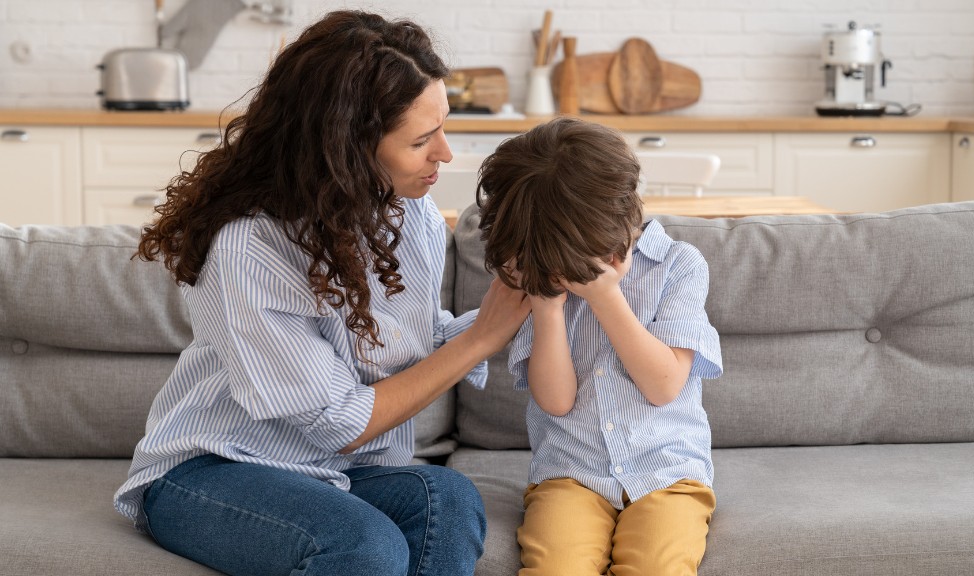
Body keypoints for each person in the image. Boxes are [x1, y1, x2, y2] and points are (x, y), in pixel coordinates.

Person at [114, 10, 530, 576]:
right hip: (213, 468)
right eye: (421, 139)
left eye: (443, 127)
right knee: (365, 545)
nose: (446, 155)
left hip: (342, 470)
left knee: (448, 500)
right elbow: (339, 420)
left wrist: (521, 307)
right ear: (346, 148)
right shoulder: (250, 248)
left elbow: (413, 340)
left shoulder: (409, 214)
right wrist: (481, 338)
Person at [476, 117, 724, 576]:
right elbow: (555, 401)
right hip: (570, 474)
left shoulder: (679, 266)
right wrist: (547, 308)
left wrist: (605, 296)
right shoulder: (544, 272)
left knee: (657, 568)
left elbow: (665, 385)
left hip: (667, 474)